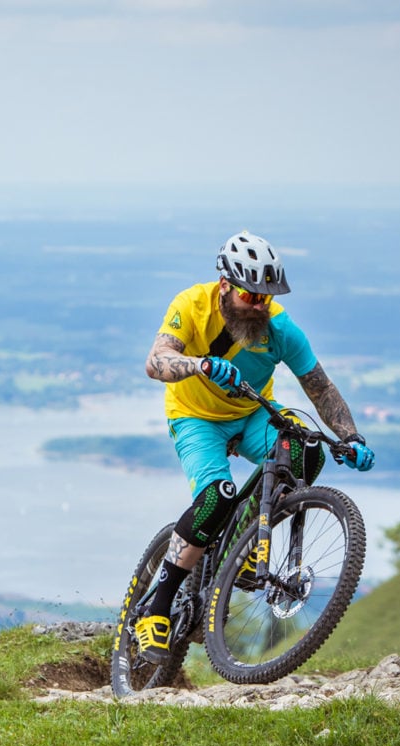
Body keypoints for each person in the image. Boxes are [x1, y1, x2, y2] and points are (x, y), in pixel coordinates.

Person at [135, 230, 375, 663]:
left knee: (305, 450)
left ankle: (243, 544)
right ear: (225, 285)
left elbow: (319, 388)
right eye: (251, 295)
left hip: (249, 412)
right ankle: (155, 610)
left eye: (267, 296)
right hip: (195, 416)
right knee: (215, 498)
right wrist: (200, 364)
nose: (260, 305)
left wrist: (351, 437)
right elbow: (156, 362)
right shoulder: (190, 305)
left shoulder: (280, 327)